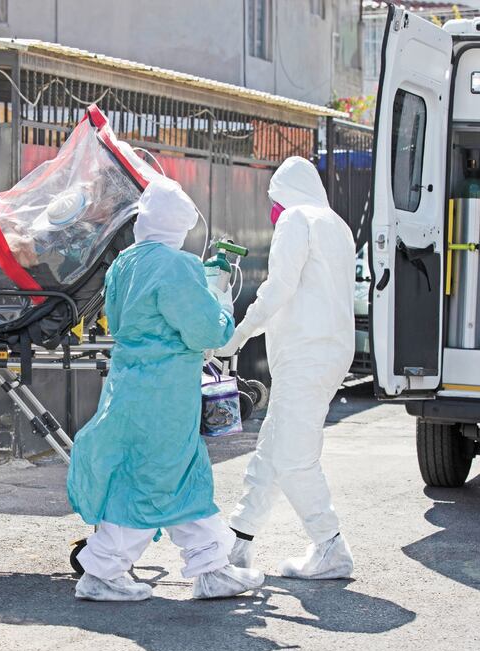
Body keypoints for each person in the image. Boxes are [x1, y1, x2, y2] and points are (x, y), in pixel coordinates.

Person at [66, 176, 265, 601]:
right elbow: (202, 332)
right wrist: (219, 300)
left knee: (179, 475)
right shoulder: (178, 266)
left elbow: (121, 322)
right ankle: (102, 571)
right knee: (158, 479)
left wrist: (200, 284)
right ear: (180, 225)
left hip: (128, 386)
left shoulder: (125, 263)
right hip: (167, 393)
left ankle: (212, 565)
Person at [215, 156, 356, 579]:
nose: (273, 210)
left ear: (284, 194)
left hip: (304, 354)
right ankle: (238, 542)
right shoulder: (337, 225)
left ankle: (329, 545)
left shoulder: (297, 219)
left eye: (273, 199)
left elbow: (278, 289)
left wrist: (236, 336)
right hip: (330, 353)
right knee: (273, 450)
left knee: (294, 457)